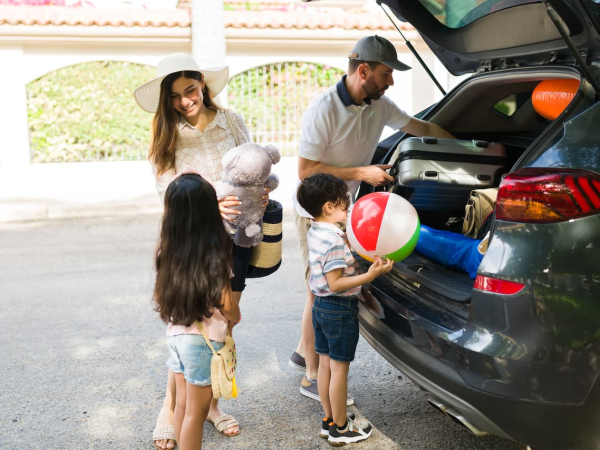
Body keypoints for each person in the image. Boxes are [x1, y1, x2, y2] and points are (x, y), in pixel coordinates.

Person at [289, 35, 455, 401]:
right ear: (363, 70)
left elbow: (420, 127)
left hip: (343, 210)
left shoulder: (378, 104)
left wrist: (461, 144)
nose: (391, 81)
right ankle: (312, 378)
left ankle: (304, 354)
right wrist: (362, 173)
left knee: (321, 289)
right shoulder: (324, 109)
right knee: (320, 292)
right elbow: (305, 171)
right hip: (316, 212)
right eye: (386, 73)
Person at [134, 53, 268, 449]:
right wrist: (212, 202)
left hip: (237, 236)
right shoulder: (166, 132)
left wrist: (255, 192)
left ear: (202, 85)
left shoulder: (231, 121)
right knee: (190, 324)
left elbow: (253, 165)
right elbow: (167, 192)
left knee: (221, 323)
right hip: (195, 237)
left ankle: (208, 404)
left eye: (189, 89)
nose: (184, 100)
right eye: (174, 95)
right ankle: (171, 405)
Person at [297, 172, 393, 445]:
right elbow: (336, 283)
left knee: (326, 367)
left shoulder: (316, 230)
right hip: (339, 309)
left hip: (321, 308)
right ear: (329, 206)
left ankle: (330, 420)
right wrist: (369, 276)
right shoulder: (335, 241)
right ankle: (341, 428)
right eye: (344, 203)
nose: (348, 208)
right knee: (339, 370)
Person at [153, 172, 241, 449]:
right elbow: (227, 303)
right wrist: (235, 316)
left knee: (181, 406)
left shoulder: (167, 250)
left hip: (176, 336)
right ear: (208, 211)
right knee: (196, 412)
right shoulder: (213, 254)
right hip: (203, 343)